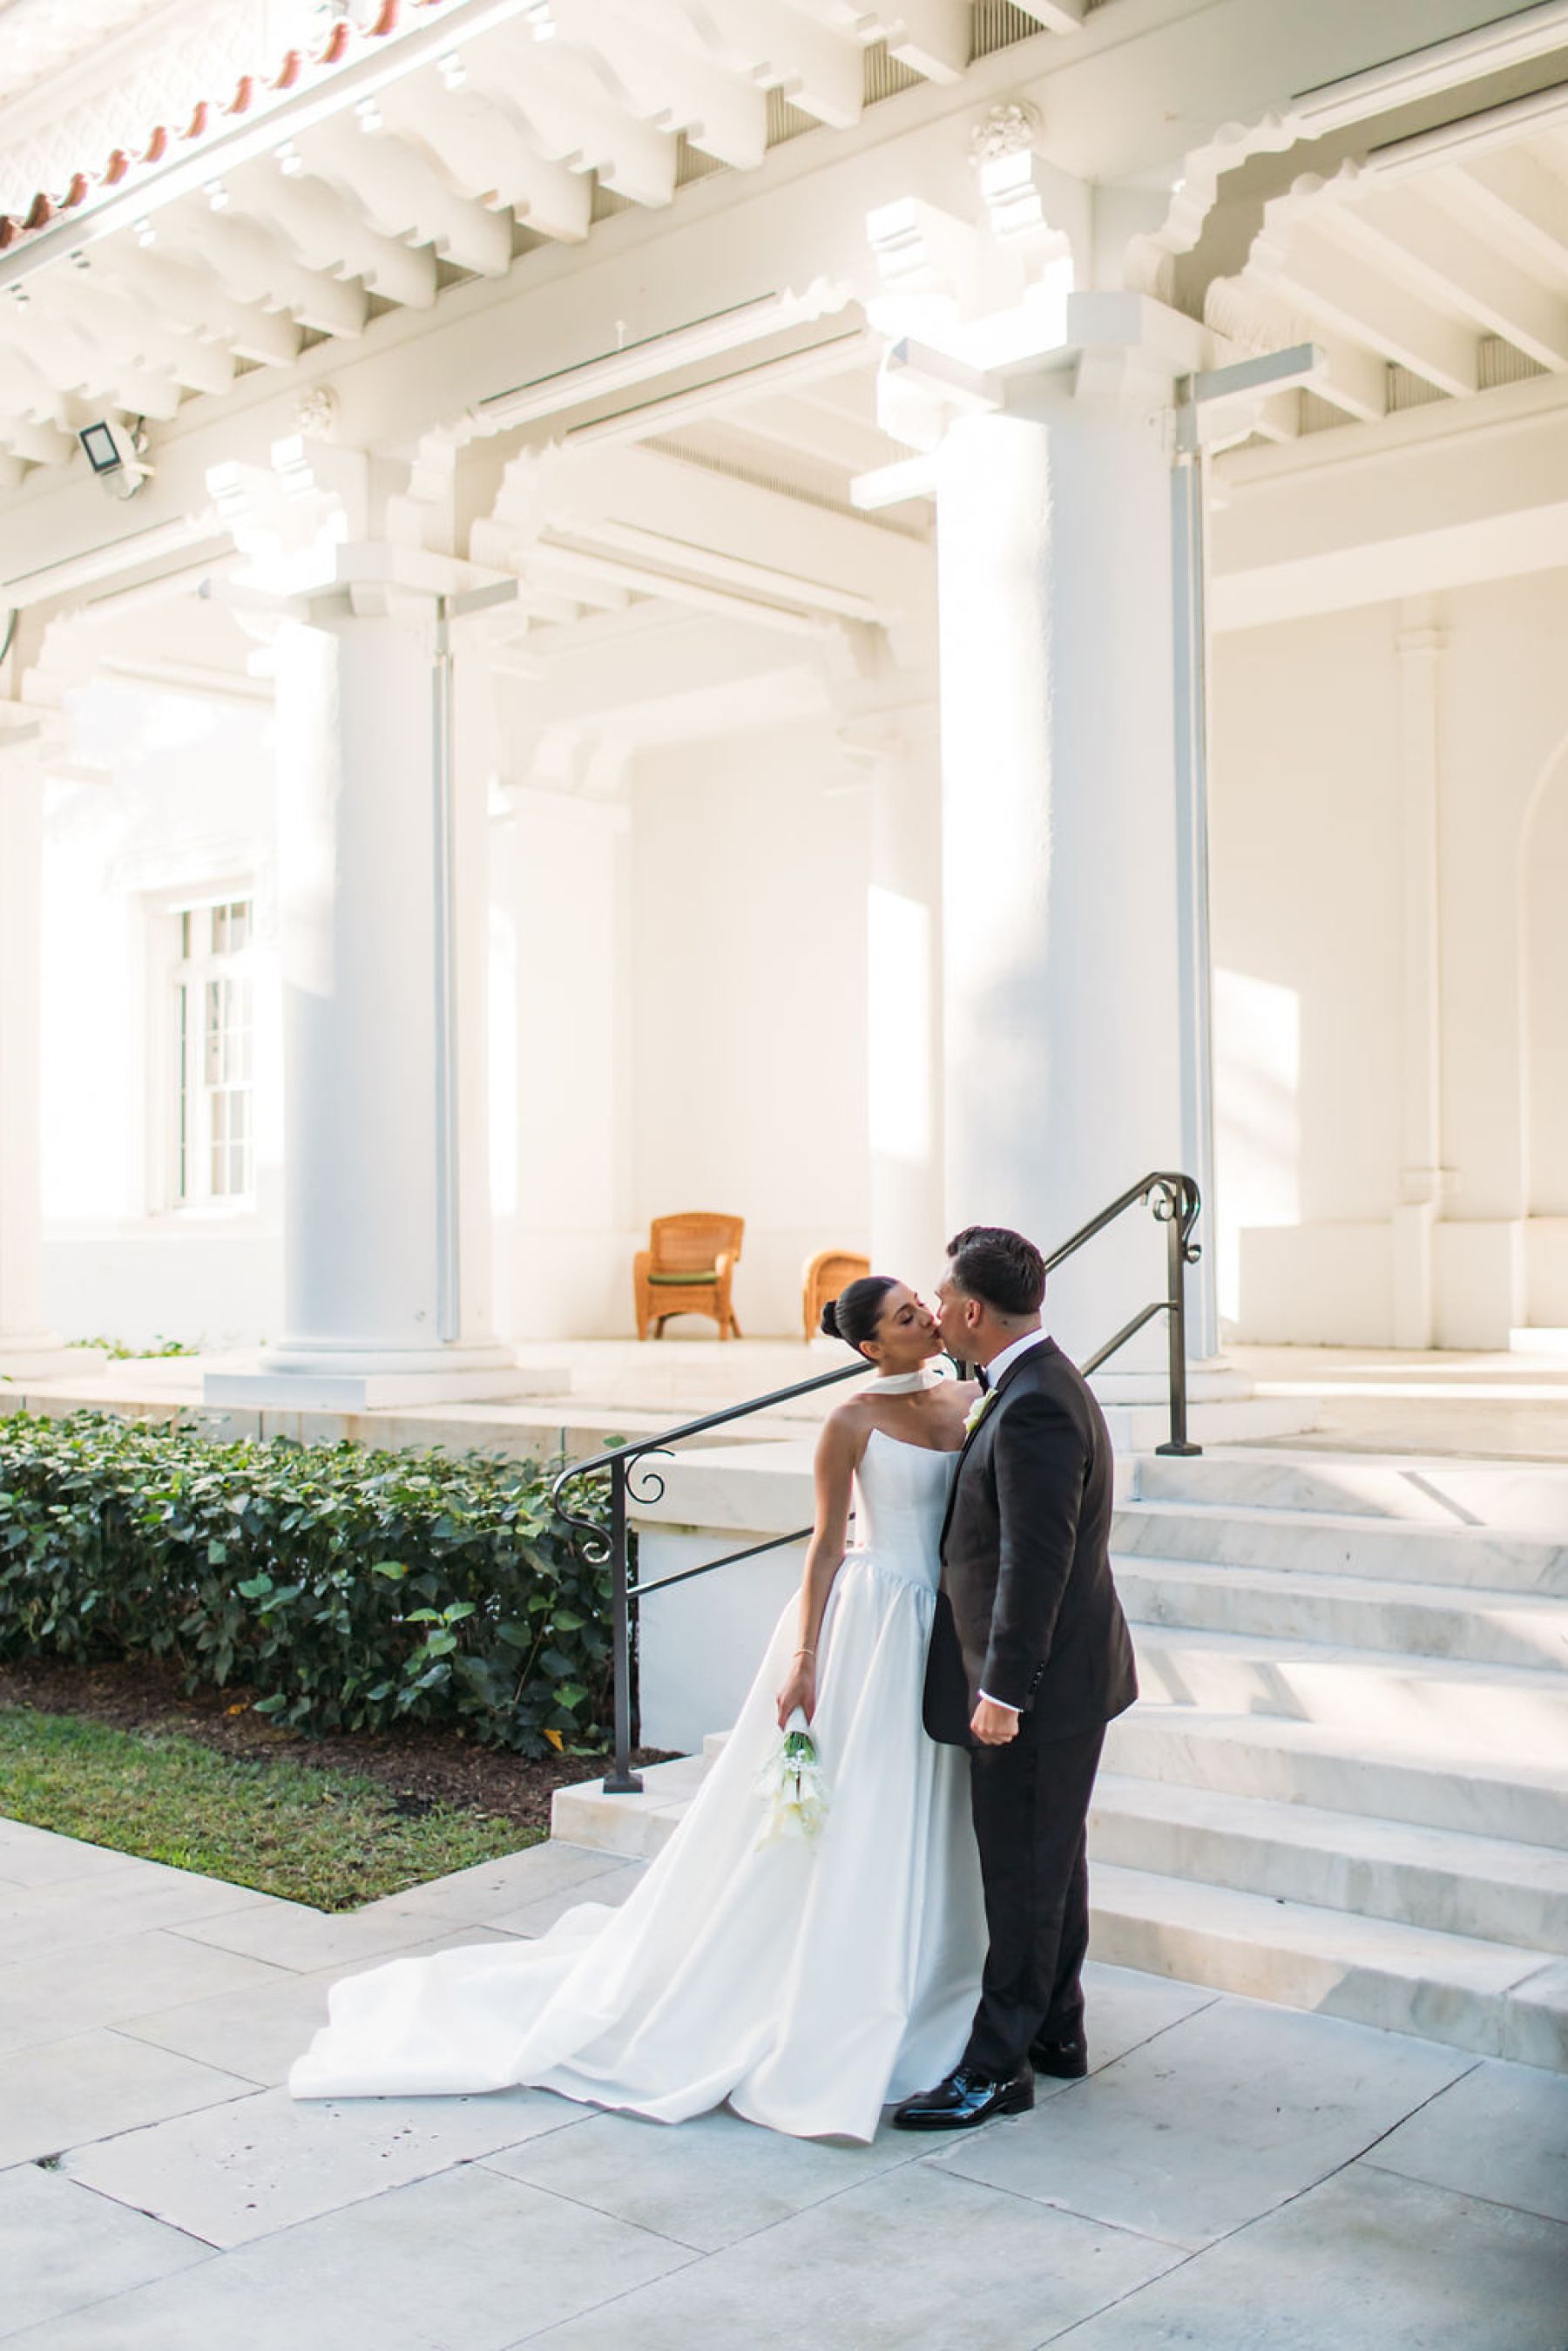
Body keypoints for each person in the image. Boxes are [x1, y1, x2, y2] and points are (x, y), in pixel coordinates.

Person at [289, 1276, 987, 2143]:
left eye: (922, 1304)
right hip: (876, 1623)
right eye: (905, 1317)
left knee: (933, 1801)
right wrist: (805, 1658)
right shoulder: (847, 1422)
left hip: (946, 1618)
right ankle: (841, 1996)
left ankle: (932, 1977)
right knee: (865, 1804)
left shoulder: (969, 1392)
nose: (925, 1318)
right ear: (871, 1346)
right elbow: (823, 1543)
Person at [892, 1223, 1138, 2134]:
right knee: (1052, 1860)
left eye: (941, 1298)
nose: (936, 1311)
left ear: (967, 1309)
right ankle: (1058, 2032)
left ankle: (995, 2068)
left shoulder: (1035, 1401)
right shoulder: (1036, 1380)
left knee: (1022, 1876)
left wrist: (1004, 1692)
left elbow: (1037, 1560)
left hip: (1038, 1686)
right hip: (1068, 1677)